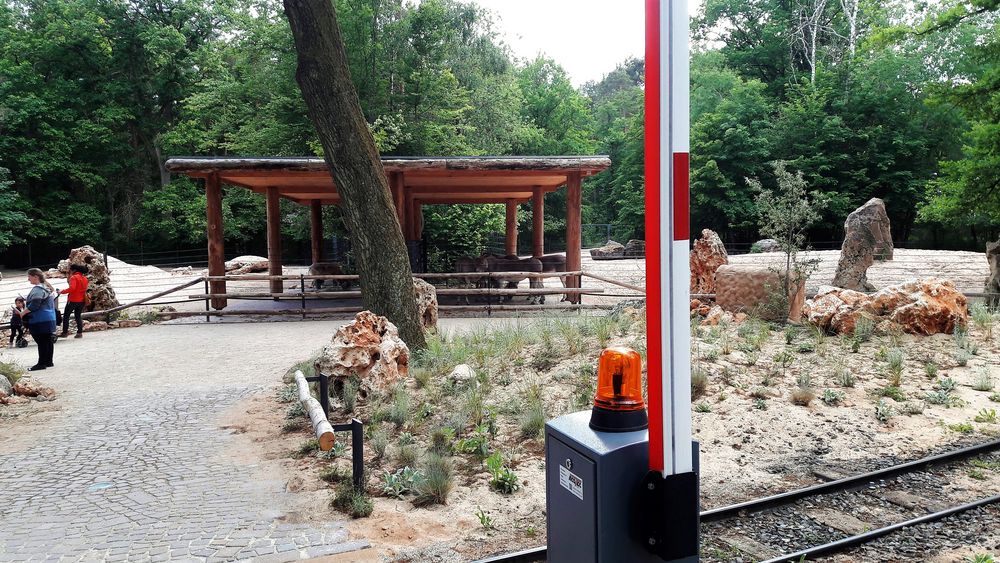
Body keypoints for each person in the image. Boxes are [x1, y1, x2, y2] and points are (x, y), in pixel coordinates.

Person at [20, 268, 57, 371]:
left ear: (35, 277)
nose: (28, 279)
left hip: (40, 319)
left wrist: (23, 312)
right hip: (49, 318)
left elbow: (35, 305)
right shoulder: (46, 287)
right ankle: (48, 361)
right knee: (48, 340)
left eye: (29, 276)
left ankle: (41, 363)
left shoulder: (38, 289)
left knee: (41, 341)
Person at [60, 263, 89, 338]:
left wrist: (62, 291)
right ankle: (79, 332)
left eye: (70, 270)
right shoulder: (85, 278)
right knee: (78, 316)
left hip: (73, 299)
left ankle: (65, 332)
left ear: (74, 270)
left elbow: (72, 288)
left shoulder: (74, 277)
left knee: (66, 316)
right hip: (82, 300)